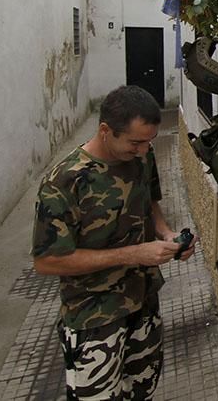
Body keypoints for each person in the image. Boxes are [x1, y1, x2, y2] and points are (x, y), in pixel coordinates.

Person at [32, 85, 197, 400]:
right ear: (106, 131)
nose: (144, 150)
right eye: (135, 142)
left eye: (150, 141)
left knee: (141, 391)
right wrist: (134, 254)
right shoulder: (64, 181)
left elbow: (150, 204)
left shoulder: (141, 158)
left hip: (143, 303)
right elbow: (47, 260)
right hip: (93, 318)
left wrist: (167, 235)